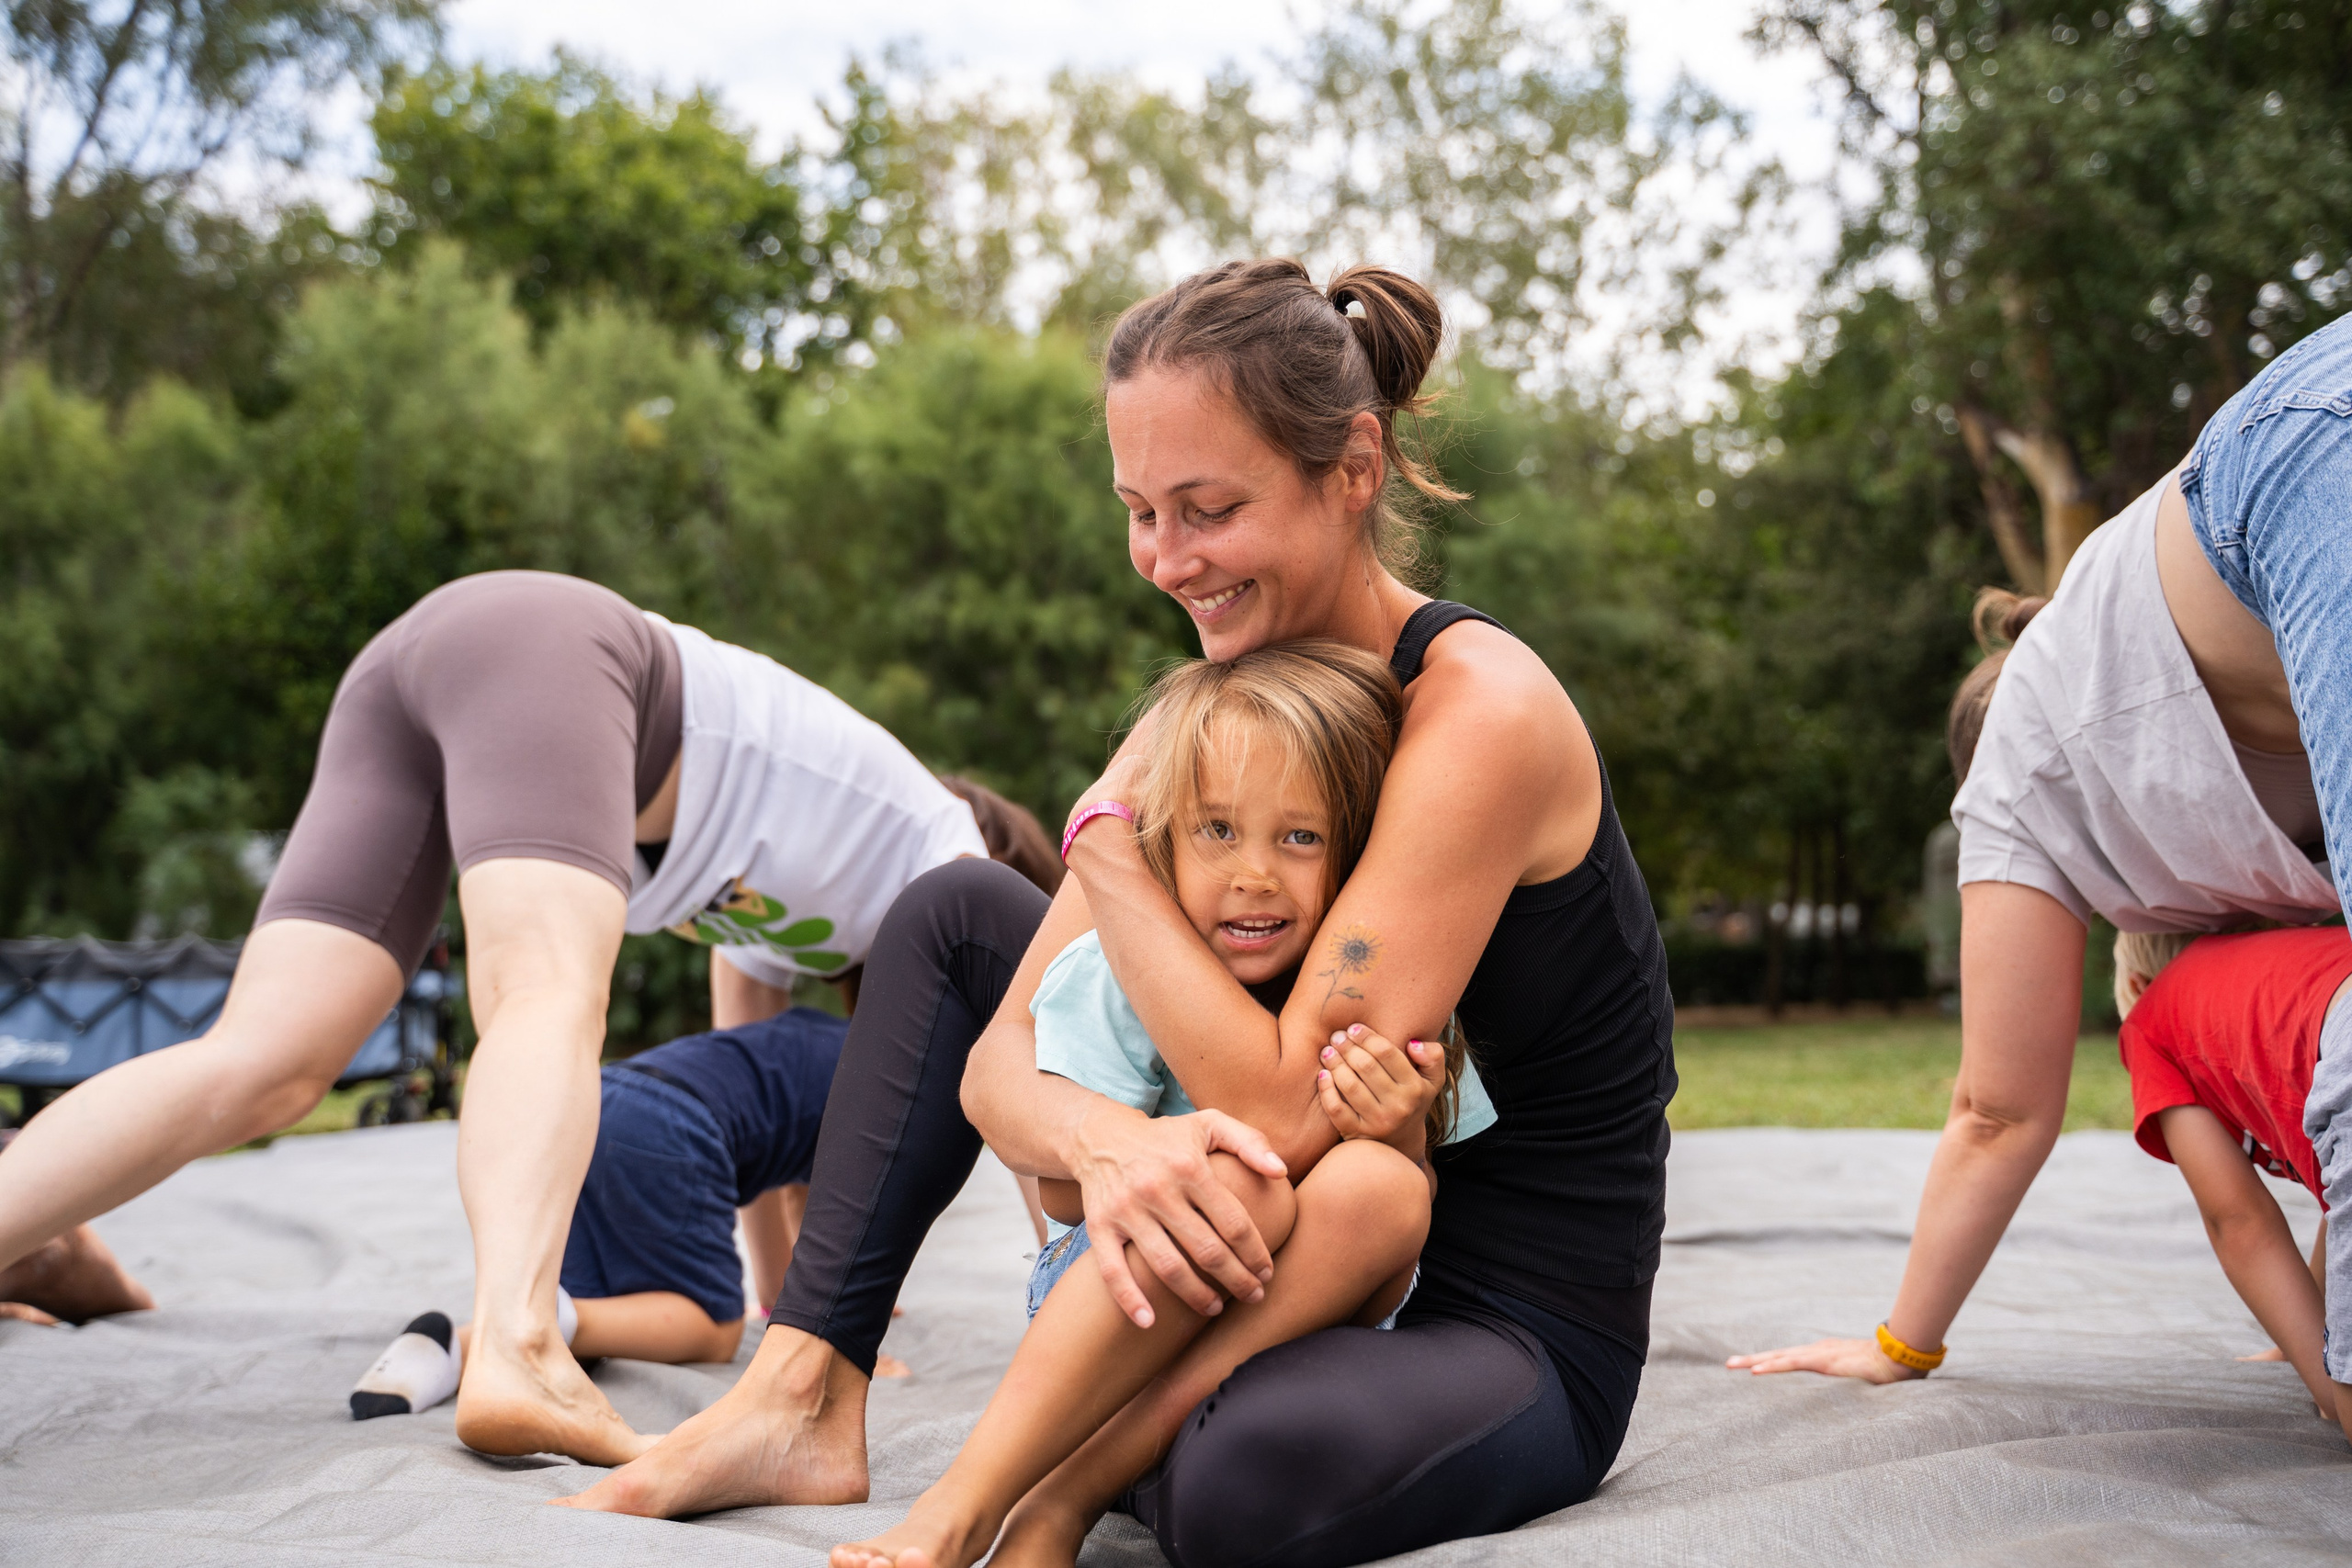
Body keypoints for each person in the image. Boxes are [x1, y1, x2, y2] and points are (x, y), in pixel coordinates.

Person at [563, 258, 1675, 1568]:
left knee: (1235, 1485)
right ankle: (801, 1386)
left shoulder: (1476, 708)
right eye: (1141, 511)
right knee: (955, 912)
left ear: (1357, 465)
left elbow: (1271, 1107)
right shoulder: (1203, 716)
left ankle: (1075, 1471)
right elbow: (994, 1063)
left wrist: (1111, 859)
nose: (1166, 559)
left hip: (1495, 1314)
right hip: (1254, 1255)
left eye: (1209, 508)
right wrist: (1104, 1144)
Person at [0, 571, 1008, 1465]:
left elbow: (760, 1113)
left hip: (418, 672)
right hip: (543, 648)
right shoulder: (950, 859)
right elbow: (994, 1063)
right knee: (545, 994)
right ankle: (522, 1344)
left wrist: (799, 1327)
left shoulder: (798, 906)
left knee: (265, 1063)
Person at [1730, 313, 2352, 1387]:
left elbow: (1998, 1109)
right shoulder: (2151, 724)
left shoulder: (2022, 760)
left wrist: (1899, 1344)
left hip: (2305, 437)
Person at [831, 640, 1500, 1568]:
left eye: (1298, 838)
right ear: (1164, 843)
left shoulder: (1373, 989)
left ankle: (1058, 1499)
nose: (1254, 875)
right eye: (1217, 831)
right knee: (1240, 1183)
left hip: (1297, 1325)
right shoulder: (1123, 972)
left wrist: (1393, 1122)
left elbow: (1406, 1219)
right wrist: (1162, 1151)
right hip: (1114, 1292)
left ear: (1352, 861)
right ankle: (961, 1504)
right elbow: (1066, 1200)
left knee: (1383, 1188)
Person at [350, 1005, 881, 1420]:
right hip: (674, 1126)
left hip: (597, 1100)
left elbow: (786, 1188)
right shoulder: (874, 1078)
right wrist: (832, 1331)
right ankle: (524, 1321)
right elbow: (826, 1209)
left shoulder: (808, 1040)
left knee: (604, 1318)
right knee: (714, 1327)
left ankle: (441, 1353)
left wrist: (776, 1302)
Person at [2101, 926, 2352, 1436]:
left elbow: (2238, 1221)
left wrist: (2331, 1390)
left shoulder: (2152, 1022)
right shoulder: (2290, 961)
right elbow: (2338, 1202)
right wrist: (2306, 1339)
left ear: (2135, 982)